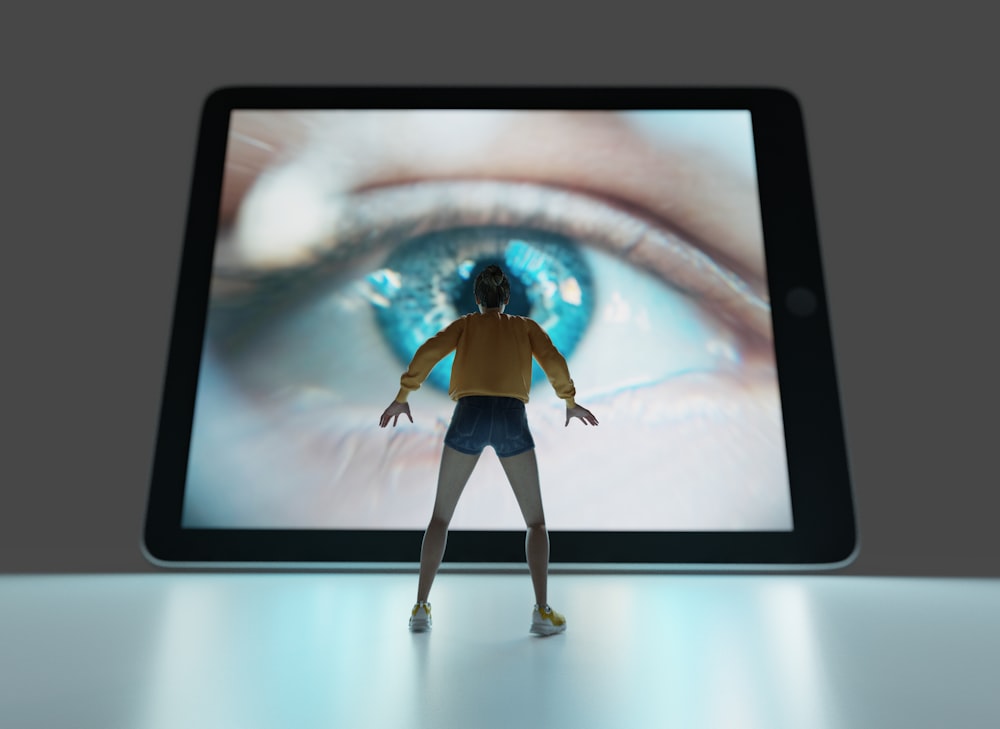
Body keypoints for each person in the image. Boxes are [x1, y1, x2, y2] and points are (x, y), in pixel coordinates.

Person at [379, 264, 598, 635]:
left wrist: (403, 395)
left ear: (477, 298)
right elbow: (554, 360)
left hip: (469, 416)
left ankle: (420, 607)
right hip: (512, 417)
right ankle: (542, 611)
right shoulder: (526, 328)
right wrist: (569, 400)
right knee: (536, 522)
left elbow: (429, 351)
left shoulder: (464, 326)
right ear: (507, 297)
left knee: (440, 519)